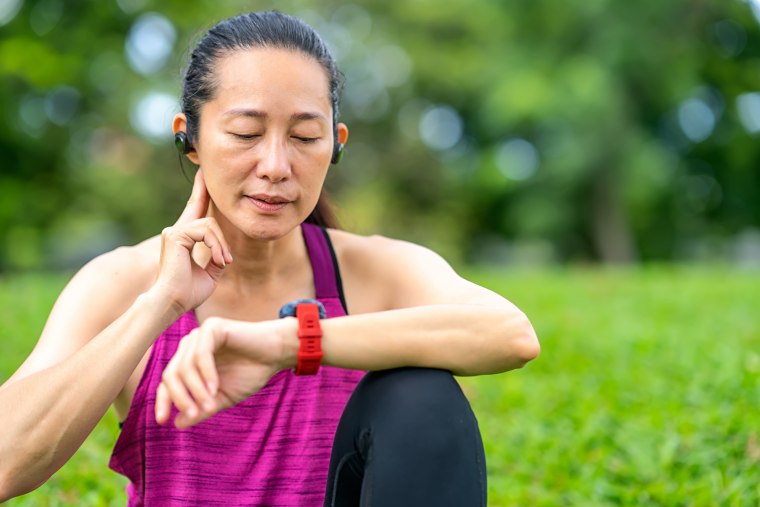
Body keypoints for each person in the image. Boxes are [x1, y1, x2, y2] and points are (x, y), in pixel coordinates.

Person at [0, 10, 539, 507]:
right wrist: (160, 304)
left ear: (336, 144)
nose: (277, 165)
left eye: (305, 136)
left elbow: (511, 334)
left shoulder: (373, 272)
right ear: (189, 138)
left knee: (420, 394)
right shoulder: (121, 283)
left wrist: (286, 343)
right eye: (246, 134)